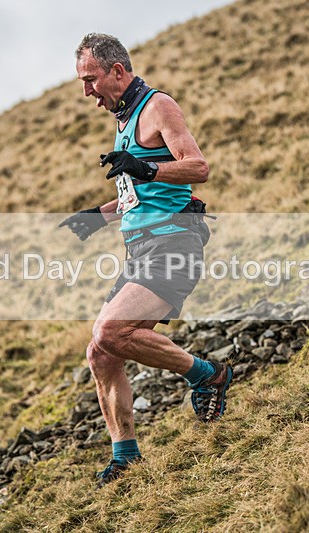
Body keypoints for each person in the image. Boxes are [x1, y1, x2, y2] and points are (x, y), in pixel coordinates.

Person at [60, 33, 233, 488]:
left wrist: (146, 167)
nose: (87, 92)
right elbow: (142, 190)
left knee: (111, 331)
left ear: (118, 71)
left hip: (173, 243)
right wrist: (97, 215)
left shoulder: (158, 106)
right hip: (140, 250)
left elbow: (197, 167)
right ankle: (126, 456)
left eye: (91, 79)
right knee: (100, 352)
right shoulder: (123, 119)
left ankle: (207, 375)